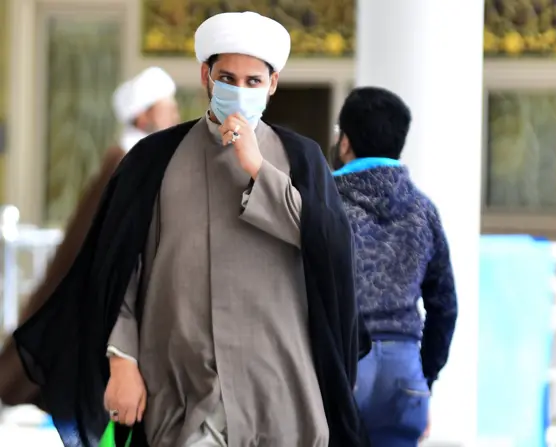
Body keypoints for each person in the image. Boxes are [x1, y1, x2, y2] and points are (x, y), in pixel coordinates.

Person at [13, 11, 370, 447]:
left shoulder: (301, 159)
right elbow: (119, 269)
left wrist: (257, 168)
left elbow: (329, 248)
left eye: (253, 81)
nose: (238, 91)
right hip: (181, 396)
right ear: (205, 75)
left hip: (280, 395)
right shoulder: (154, 159)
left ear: (272, 84)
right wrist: (122, 359)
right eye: (227, 78)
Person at [0, 67, 178, 409]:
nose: (173, 113)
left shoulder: (139, 157)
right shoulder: (128, 160)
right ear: (143, 116)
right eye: (164, 106)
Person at [331, 87, 458, 447]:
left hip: (342, 366)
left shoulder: (325, 202)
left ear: (345, 142)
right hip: (404, 370)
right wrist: (424, 378)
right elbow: (444, 307)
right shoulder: (423, 210)